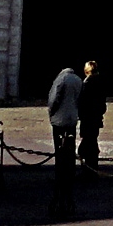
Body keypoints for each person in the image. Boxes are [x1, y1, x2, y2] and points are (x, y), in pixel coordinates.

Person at [46, 63, 83, 217]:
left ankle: (61, 169)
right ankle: (70, 167)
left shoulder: (60, 80)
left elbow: (54, 99)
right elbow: (80, 99)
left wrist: (51, 112)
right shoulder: (78, 80)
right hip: (72, 117)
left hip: (59, 119)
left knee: (59, 148)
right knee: (70, 145)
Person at [76, 58, 107, 170]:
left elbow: (83, 102)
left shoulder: (87, 83)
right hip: (96, 117)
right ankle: (91, 167)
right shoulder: (100, 82)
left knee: (88, 142)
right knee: (92, 141)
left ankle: (89, 169)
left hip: (88, 118)